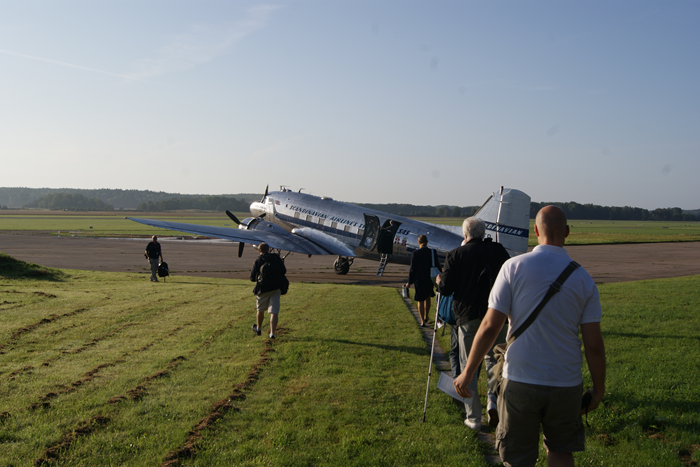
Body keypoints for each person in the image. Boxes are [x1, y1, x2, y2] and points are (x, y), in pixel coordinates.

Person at [454, 206, 606, 467]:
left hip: (520, 379)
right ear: (567, 232)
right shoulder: (583, 279)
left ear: (535, 231)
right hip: (566, 382)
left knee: (518, 458)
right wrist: (599, 389)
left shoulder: (513, 267)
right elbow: (593, 343)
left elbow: (491, 326)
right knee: (560, 451)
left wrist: (468, 371)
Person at [436, 217, 510, 430]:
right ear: (482, 232)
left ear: (465, 235)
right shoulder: (498, 251)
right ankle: (493, 402)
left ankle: (473, 417)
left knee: (469, 363)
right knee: (495, 361)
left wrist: (439, 281)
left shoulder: (455, 255)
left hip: (467, 316)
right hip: (497, 315)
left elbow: (447, 289)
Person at [250, 242, 287, 339]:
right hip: (276, 288)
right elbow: (284, 271)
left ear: (259, 250)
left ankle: (258, 328)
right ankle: (272, 333)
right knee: (274, 311)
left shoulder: (257, 260)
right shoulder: (275, 257)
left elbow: (252, 278)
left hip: (263, 289)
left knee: (260, 310)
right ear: (269, 249)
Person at [405, 235, 439, 327]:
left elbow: (412, 269)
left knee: (420, 300)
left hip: (419, 280)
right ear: (427, 242)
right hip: (429, 278)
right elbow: (437, 265)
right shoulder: (432, 252)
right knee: (427, 298)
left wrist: (409, 282)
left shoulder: (415, 253)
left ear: (418, 242)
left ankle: (422, 321)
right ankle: (426, 316)